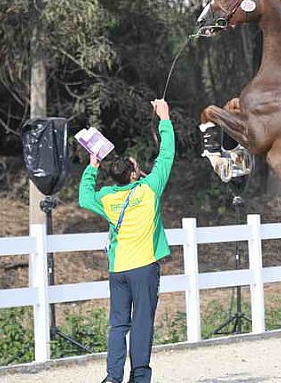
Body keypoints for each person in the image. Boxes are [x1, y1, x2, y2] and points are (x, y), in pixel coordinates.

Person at [78, 99, 175, 383]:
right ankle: (140, 378)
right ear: (133, 174)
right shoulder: (148, 190)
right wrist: (164, 118)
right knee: (142, 323)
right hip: (144, 267)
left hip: (118, 269)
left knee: (118, 325)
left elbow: (84, 196)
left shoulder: (107, 196)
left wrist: (92, 166)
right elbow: (166, 155)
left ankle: (112, 377)